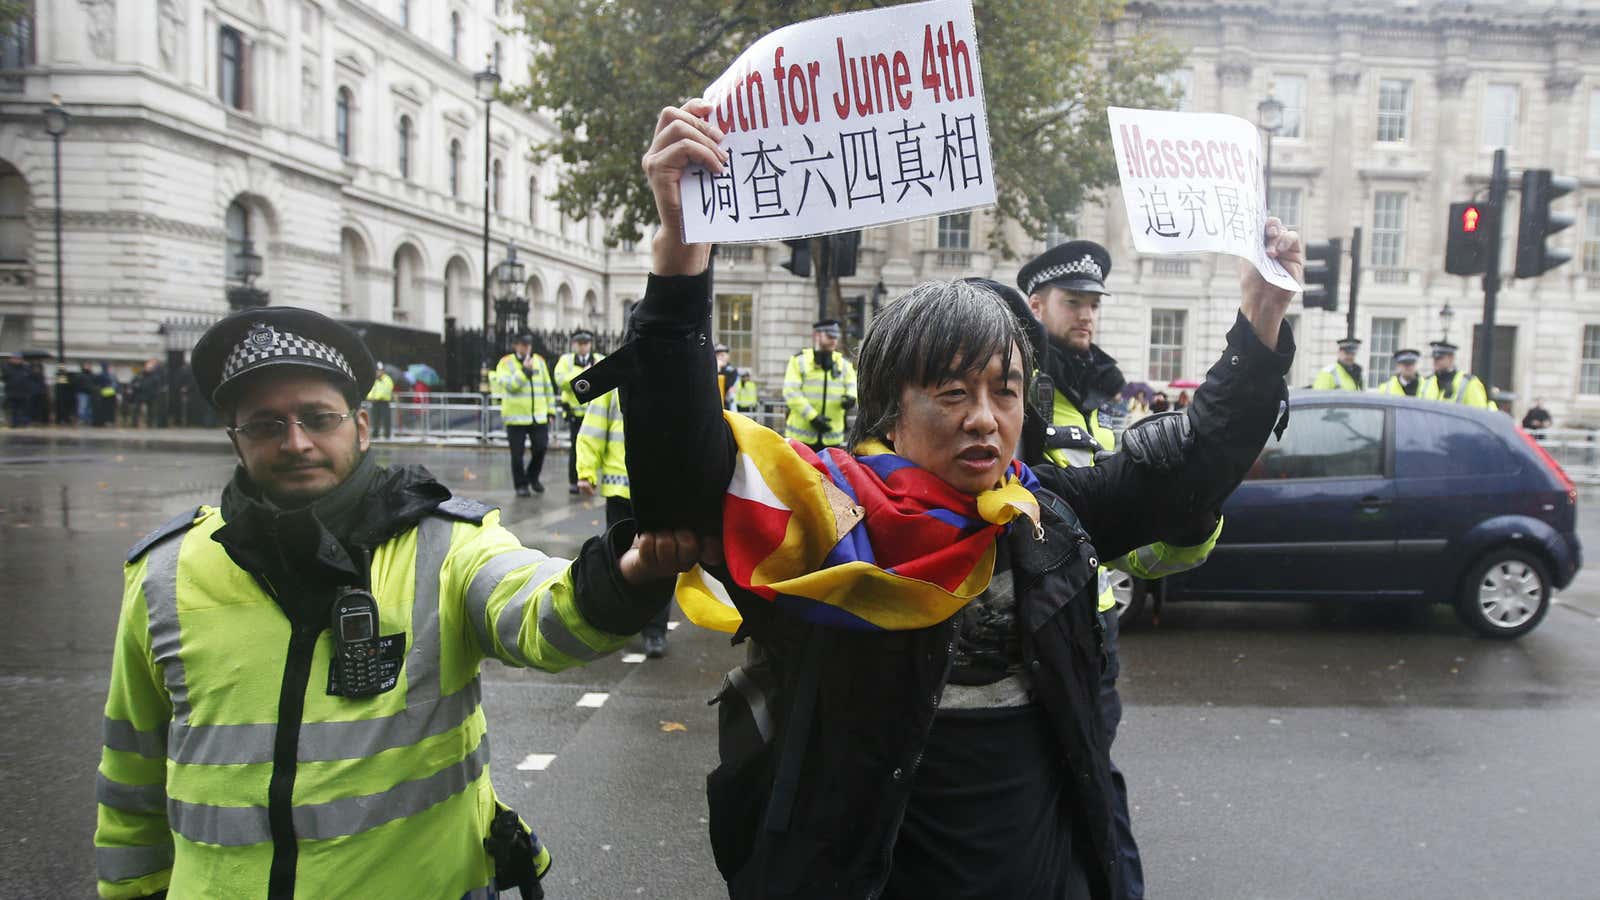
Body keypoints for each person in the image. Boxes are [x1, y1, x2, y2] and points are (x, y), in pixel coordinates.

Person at [620, 100, 1299, 900]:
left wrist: (1261, 313)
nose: (985, 418)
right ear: (888, 405)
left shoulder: (1050, 516)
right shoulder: (818, 518)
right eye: (951, 392)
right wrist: (678, 254)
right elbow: (678, 473)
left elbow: (1193, 458)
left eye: (1004, 391)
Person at [93, 307, 702, 899]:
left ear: (360, 426)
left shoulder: (443, 542)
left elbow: (541, 614)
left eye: (316, 417)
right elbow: (130, 777)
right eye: (265, 424)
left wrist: (625, 573)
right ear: (235, 439)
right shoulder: (165, 572)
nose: (295, 442)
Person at [1016, 239, 1225, 900]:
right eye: (1073, 303)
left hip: (1092, 636)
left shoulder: (1108, 401)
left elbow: (1133, 550)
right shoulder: (1014, 390)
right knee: (1038, 804)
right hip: (1022, 631)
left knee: (1093, 792)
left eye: (1093, 305)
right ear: (1036, 305)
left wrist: (1192, 521)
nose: (1087, 316)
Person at [575, 389, 672, 658]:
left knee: (662, 558)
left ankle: (655, 630)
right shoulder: (615, 374)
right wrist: (586, 471)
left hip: (662, 490)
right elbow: (593, 427)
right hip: (621, 490)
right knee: (617, 562)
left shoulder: (676, 369)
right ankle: (618, 623)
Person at [492, 332, 556, 496]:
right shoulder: (505, 363)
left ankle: (532, 477)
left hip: (538, 415)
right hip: (516, 417)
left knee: (541, 448)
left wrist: (551, 410)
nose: (525, 347)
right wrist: (524, 373)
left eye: (528, 345)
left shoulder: (540, 362)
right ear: (516, 346)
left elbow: (547, 387)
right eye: (522, 344)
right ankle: (521, 485)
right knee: (517, 454)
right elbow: (508, 385)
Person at [782, 319, 858, 451]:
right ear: (816, 335)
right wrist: (813, 417)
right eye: (829, 336)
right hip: (801, 437)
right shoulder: (799, 361)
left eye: (836, 336)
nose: (834, 339)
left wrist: (851, 398)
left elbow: (853, 385)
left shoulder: (843, 363)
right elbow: (791, 392)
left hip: (832, 437)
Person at [554, 330, 605, 494]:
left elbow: (607, 380)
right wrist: (585, 373)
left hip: (595, 414)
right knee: (576, 448)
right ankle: (574, 481)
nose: (583, 347)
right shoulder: (566, 360)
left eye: (586, 343)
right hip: (575, 414)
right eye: (580, 344)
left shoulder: (599, 359)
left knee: (595, 448)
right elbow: (561, 381)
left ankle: (591, 479)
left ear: (590, 344)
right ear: (575, 345)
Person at [1420, 340, 1495, 408]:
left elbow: (1478, 414)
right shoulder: (1427, 382)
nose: (1435, 362)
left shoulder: (1469, 383)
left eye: (1440, 358)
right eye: (1434, 358)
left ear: (1451, 358)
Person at [366, 363, 394, 438]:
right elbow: (371, 390)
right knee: (375, 418)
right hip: (375, 402)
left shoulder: (387, 379)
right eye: (377, 371)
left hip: (384, 402)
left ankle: (387, 435)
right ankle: (375, 434)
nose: (378, 372)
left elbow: (386, 391)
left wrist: (376, 397)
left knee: (386, 419)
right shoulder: (375, 380)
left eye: (380, 371)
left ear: (383, 371)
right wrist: (369, 397)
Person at [716, 343, 742, 410]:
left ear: (727, 356)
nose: (720, 358)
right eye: (717, 355)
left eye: (722, 355)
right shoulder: (709, 370)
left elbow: (728, 385)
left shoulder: (732, 370)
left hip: (727, 406)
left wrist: (719, 369)